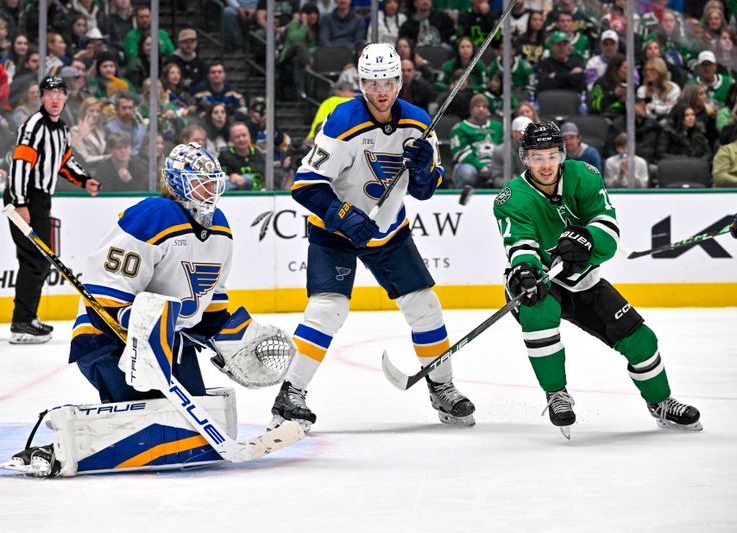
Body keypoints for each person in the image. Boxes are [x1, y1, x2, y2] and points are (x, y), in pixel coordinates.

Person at [4, 142, 296, 476]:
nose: (210, 188)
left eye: (213, 180)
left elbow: (211, 305)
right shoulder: (153, 216)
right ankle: (55, 449)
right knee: (143, 421)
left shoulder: (221, 227)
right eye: (200, 180)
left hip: (171, 343)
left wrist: (231, 336)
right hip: (109, 340)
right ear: (177, 183)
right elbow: (108, 295)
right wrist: (140, 326)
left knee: (191, 425)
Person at [269, 42, 475, 432]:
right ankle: (290, 393)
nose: (381, 91)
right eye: (372, 82)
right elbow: (305, 185)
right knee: (328, 309)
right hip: (336, 234)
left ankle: (442, 387)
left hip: (389, 230)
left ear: (401, 80)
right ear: (360, 83)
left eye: (389, 81)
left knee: (425, 307)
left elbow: (425, 191)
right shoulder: (341, 122)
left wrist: (422, 170)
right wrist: (343, 217)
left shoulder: (418, 123)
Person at [492, 121, 702, 437]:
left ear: (562, 153)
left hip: (585, 279)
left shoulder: (584, 175)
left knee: (642, 340)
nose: (545, 165)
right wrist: (526, 271)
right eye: (537, 157)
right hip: (544, 281)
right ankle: (556, 395)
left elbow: (608, 230)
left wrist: (588, 239)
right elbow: (520, 245)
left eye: (551, 155)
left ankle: (660, 402)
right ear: (525, 158)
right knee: (537, 310)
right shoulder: (512, 198)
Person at [4, 76, 100, 344]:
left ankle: (26, 318)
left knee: (39, 260)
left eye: (59, 93)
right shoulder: (34, 125)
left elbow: (64, 161)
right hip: (25, 198)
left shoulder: (60, 129)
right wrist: (20, 202)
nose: (55, 98)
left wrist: (84, 180)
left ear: (66, 97)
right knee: (35, 260)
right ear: (41, 97)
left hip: (40, 199)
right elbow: (20, 163)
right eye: (49, 93)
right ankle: (21, 324)